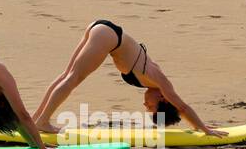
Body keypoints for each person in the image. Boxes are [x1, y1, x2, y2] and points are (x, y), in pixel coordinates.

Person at [32, 20, 227, 137]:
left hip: (102, 30)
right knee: (72, 78)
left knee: (67, 75)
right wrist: (204, 129)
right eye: (151, 108)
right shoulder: (162, 82)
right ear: (162, 99)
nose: (145, 106)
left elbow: (178, 108)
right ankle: (42, 122)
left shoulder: (156, 83)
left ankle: (36, 120)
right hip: (108, 36)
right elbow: (182, 107)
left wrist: (196, 126)